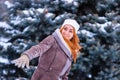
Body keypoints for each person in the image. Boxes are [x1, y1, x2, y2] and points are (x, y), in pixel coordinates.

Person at [12, 19, 82, 80]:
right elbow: (39, 48)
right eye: (65, 29)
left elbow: (64, 75)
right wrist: (27, 55)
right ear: (61, 29)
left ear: (74, 35)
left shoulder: (71, 51)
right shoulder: (53, 39)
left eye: (70, 31)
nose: (66, 32)